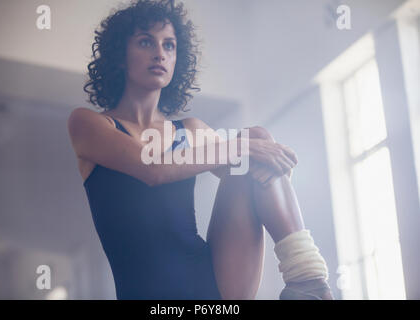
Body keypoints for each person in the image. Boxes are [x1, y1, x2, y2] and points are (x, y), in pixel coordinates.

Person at [67, 0, 333, 300]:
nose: (160, 53)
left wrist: (268, 159)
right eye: (146, 42)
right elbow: (152, 169)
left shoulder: (190, 130)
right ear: (119, 56)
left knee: (256, 139)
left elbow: (251, 169)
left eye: (169, 45)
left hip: (215, 283)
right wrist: (244, 148)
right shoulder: (89, 124)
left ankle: (308, 280)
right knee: (248, 145)